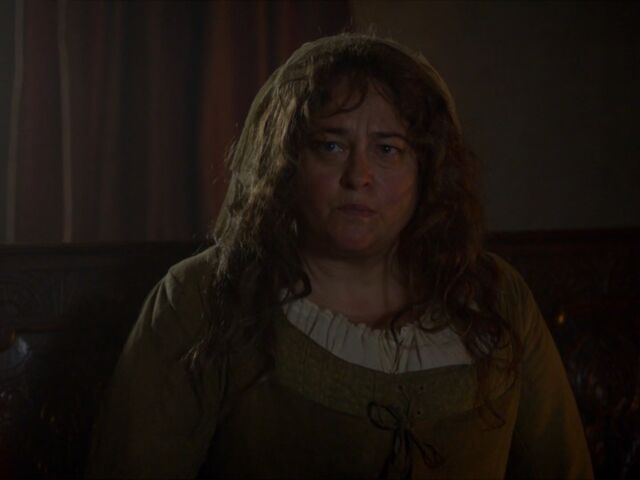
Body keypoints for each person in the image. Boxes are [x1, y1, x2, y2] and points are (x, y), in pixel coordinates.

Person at [87, 33, 593, 479]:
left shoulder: (493, 298)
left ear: (426, 169)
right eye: (331, 146)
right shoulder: (203, 298)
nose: (359, 176)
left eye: (388, 149)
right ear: (287, 164)